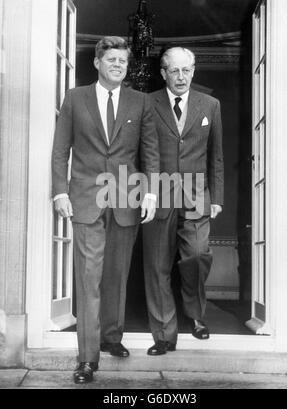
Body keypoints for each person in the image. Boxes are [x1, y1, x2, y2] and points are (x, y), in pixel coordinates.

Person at [52, 36, 159, 383]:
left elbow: (150, 152)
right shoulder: (75, 98)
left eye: (122, 61)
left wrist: (152, 194)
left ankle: (112, 337)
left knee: (116, 275)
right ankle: (87, 358)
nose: (117, 65)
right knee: (88, 278)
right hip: (85, 199)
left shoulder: (140, 102)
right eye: (111, 59)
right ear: (97, 63)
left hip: (126, 199)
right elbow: (60, 151)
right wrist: (59, 193)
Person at [143, 47, 224, 356]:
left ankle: (196, 315)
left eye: (186, 70)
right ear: (163, 73)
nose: (181, 77)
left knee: (197, 256)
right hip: (157, 195)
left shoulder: (210, 105)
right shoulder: (148, 103)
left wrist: (215, 197)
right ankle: (164, 335)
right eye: (174, 71)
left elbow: (216, 155)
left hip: (196, 195)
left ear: (194, 70)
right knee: (157, 266)